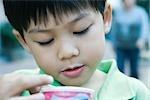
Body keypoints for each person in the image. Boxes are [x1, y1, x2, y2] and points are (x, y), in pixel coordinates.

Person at [3, 0, 150, 99]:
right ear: (24, 41)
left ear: (106, 18)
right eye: (45, 40)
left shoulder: (134, 92)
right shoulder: (16, 89)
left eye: (81, 30)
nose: (67, 52)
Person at [110, 0, 149, 79]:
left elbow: (145, 27)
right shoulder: (118, 12)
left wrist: (142, 39)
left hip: (134, 45)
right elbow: (114, 28)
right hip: (120, 45)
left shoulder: (140, 12)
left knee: (134, 69)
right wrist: (113, 42)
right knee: (120, 68)